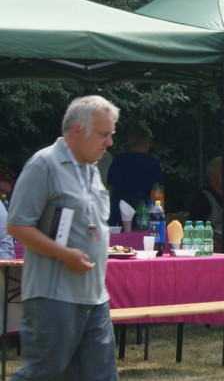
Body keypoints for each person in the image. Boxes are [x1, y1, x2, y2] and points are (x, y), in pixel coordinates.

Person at [7, 95, 120, 380]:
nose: (109, 142)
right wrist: (64, 254)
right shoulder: (43, 165)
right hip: (53, 298)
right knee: (43, 374)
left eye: (111, 134)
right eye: (103, 134)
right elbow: (17, 226)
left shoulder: (91, 170)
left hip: (95, 298)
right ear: (78, 130)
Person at [106, 126, 162, 226]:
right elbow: (159, 191)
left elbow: (109, 187)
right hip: (142, 210)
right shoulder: (151, 163)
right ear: (146, 143)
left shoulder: (118, 160)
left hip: (117, 209)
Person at [189, 156, 224, 249]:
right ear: (211, 175)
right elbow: (196, 228)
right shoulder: (203, 198)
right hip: (216, 245)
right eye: (223, 172)